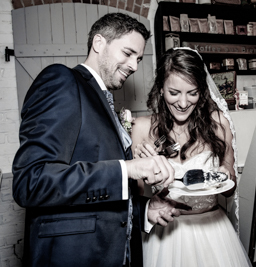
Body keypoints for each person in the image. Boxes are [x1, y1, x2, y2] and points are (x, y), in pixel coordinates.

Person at [12, 13, 189, 267]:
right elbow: (31, 181)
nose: (134, 66)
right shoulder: (62, 81)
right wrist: (128, 168)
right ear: (98, 43)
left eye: (138, 59)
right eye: (127, 53)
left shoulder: (105, 101)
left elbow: (99, 199)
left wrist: (145, 210)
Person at [131, 48, 252, 267]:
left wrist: (225, 177)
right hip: (165, 238)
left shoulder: (219, 123)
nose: (184, 103)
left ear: (202, 92)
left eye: (192, 93)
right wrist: (142, 169)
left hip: (214, 233)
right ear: (160, 89)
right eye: (174, 92)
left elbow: (231, 187)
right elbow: (137, 200)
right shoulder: (142, 128)